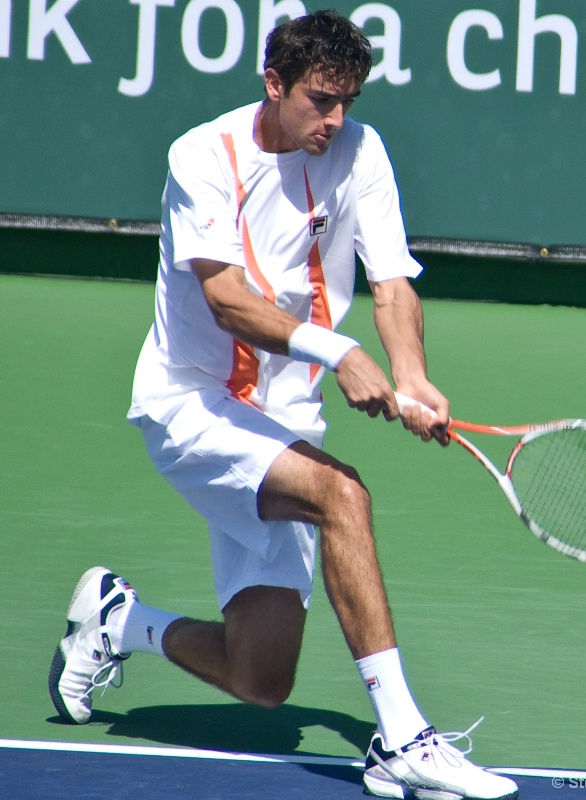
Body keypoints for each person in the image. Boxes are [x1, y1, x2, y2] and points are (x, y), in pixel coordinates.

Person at [48, 10, 518, 800]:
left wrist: (410, 373)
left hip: (284, 419)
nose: (335, 120)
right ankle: (403, 737)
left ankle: (119, 621)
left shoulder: (361, 152)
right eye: (319, 100)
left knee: (259, 676)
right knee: (343, 495)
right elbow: (228, 300)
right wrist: (344, 354)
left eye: (348, 102)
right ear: (274, 83)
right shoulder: (203, 156)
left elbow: (392, 283)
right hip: (190, 407)